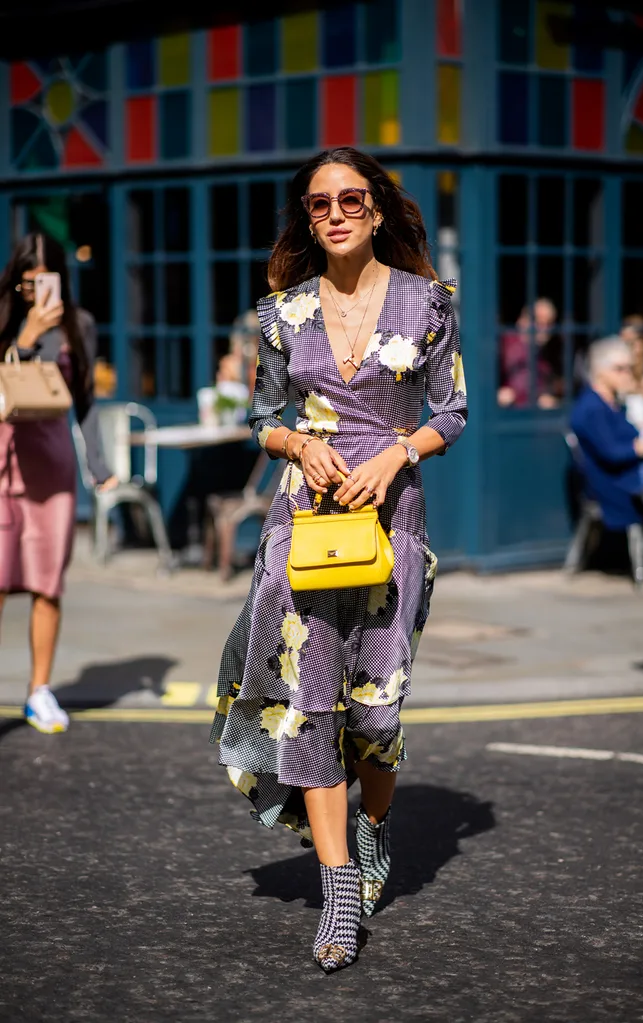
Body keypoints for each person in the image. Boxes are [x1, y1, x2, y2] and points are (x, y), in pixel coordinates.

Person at [209, 147, 467, 971]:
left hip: (393, 525)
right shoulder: (280, 314)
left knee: (378, 710)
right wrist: (296, 443)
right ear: (309, 218)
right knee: (312, 704)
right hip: (305, 528)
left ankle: (376, 821)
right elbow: (259, 414)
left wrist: (396, 454)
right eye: (319, 204)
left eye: (351, 198)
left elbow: (452, 411)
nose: (336, 213)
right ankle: (339, 887)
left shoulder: (430, 302)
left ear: (379, 208)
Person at [0, 233, 115, 734]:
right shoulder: (5, 319)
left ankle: (39, 691)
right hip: (3, 461)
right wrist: (24, 338)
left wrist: (98, 464)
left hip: (51, 465)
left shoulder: (79, 324)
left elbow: (85, 400)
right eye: (26, 283)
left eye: (43, 282)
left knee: (48, 583)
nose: (34, 292)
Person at [569, 336, 643, 530]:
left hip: (634, 476)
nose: (627, 374)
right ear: (600, 370)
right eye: (620, 368)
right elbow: (613, 453)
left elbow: (631, 438)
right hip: (619, 486)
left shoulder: (610, 403)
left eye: (629, 368)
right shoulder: (592, 408)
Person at [498, 298, 560, 409]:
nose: (543, 328)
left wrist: (546, 396)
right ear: (522, 321)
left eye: (548, 323)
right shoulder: (503, 344)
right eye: (538, 321)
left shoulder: (546, 352)